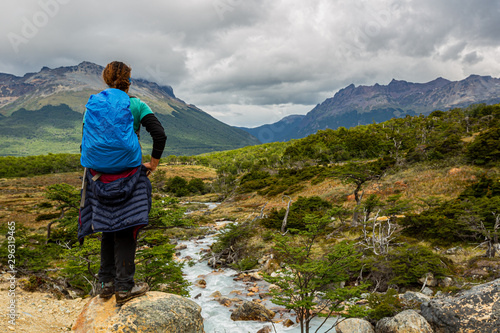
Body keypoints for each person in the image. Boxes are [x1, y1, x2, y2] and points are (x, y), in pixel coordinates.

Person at [78, 61, 167, 305]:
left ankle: (106, 284)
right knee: (126, 227)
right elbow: (159, 134)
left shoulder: (92, 104)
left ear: (106, 79)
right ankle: (125, 288)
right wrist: (153, 164)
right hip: (130, 176)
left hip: (97, 177)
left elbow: (85, 139)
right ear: (129, 79)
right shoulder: (136, 104)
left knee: (107, 226)